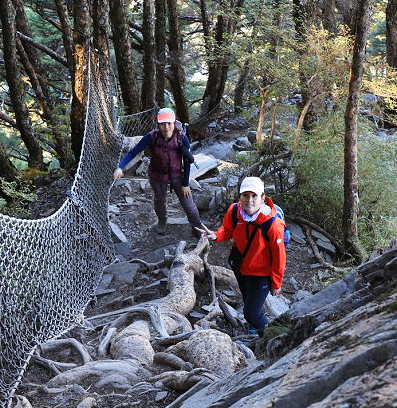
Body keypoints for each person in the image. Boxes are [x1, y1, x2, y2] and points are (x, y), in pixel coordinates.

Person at [197, 177, 286, 336]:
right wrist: (216, 235)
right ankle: (255, 327)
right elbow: (227, 230)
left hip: (262, 272)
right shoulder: (234, 211)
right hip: (241, 266)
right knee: (248, 298)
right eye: (245, 195)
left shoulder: (273, 224)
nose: (249, 200)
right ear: (239, 196)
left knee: (251, 313)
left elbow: (279, 256)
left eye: (254, 196)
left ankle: (274, 339)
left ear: (263, 198)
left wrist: (276, 282)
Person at [113, 108, 203, 236]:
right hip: (157, 176)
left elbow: (187, 161)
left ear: (174, 122)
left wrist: (186, 183)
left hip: (177, 175)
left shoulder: (182, 138)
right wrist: (120, 167)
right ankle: (162, 220)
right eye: (162, 124)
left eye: (169, 123)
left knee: (189, 205)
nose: (166, 127)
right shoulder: (151, 137)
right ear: (158, 124)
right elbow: (133, 152)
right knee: (160, 200)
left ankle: (197, 226)